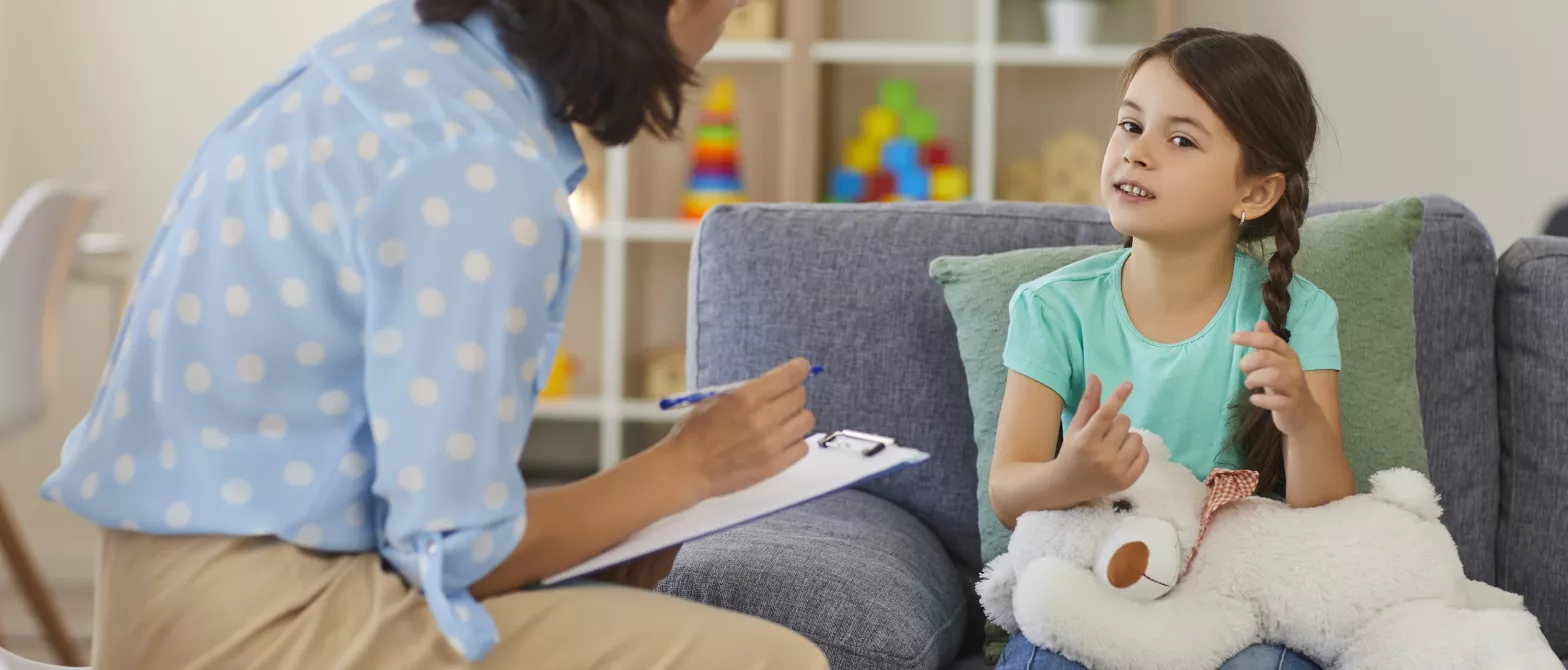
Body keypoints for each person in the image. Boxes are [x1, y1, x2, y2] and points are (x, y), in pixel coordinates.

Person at [40, 0, 830, 668]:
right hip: (261, 624)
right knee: (774, 660)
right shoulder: (479, 162)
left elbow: (411, 516)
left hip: (168, 595)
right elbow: (460, 552)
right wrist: (687, 469)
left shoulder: (391, 64)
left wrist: (632, 513)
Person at [988, 27, 1349, 670]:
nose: (1138, 153)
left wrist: (1300, 419)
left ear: (1255, 192)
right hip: (1097, 581)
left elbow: (1323, 510)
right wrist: (1072, 478)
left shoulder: (1301, 315)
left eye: (1180, 139)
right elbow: (1010, 493)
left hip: (1232, 600)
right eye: (1130, 125)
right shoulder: (1051, 308)